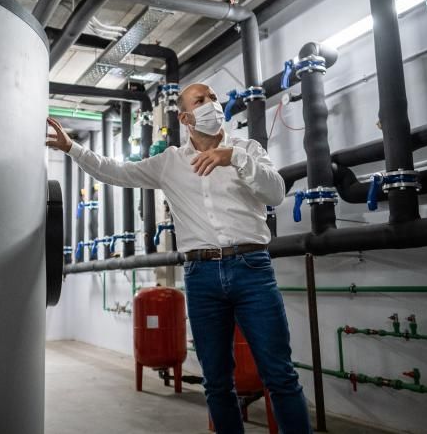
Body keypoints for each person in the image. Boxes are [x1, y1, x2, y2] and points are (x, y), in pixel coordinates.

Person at [46, 82, 312, 434]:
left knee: (279, 374)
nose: (213, 105)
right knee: (216, 382)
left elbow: (276, 192)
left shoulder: (248, 148)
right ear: (186, 117)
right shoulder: (170, 162)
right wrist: (72, 148)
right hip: (201, 276)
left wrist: (235, 158)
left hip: (252, 270)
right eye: (201, 100)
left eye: (214, 98)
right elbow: (118, 171)